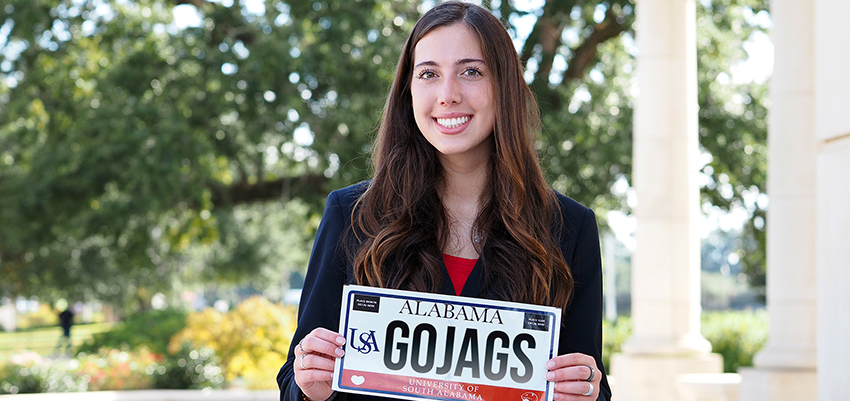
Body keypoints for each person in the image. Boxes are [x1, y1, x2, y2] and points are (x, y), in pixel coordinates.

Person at [277, 2, 611, 400]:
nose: (448, 94)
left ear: (504, 85)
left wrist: (585, 389)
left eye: (471, 72)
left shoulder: (569, 227)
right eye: (429, 74)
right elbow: (294, 383)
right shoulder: (351, 215)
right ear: (408, 91)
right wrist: (310, 385)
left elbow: (591, 383)